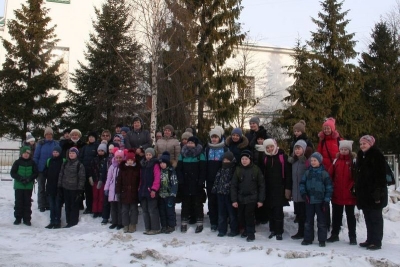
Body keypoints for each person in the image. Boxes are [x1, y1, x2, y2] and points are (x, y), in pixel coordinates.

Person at [354, 135, 387, 250]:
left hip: (375, 192)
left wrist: (378, 190)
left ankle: (376, 241)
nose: (362, 145)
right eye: (361, 143)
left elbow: (381, 174)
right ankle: (369, 239)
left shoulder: (376, 155)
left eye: (365, 143)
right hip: (364, 192)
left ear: (370, 144)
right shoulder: (361, 156)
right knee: (368, 216)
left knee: (375, 217)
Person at [230, 150, 265, 242]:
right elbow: (233, 185)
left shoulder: (256, 169)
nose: (244, 160)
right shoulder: (238, 170)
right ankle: (245, 230)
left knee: (249, 215)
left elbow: (261, 185)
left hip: (252, 198)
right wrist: (234, 200)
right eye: (242, 159)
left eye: (246, 159)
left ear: (250, 159)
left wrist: (261, 200)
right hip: (240, 198)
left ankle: (251, 233)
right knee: (241, 216)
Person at [299, 152, 333, 247]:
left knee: (322, 222)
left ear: (320, 161)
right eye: (312, 160)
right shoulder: (307, 172)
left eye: (315, 160)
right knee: (308, 221)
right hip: (309, 201)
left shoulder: (324, 173)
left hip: (320, 201)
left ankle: (322, 239)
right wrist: (304, 193)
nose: (313, 162)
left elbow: (329, 187)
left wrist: (326, 200)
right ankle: (308, 238)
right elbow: (302, 183)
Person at [327, 140, 357, 245]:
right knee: (336, 216)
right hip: (337, 193)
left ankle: (352, 236)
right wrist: (331, 185)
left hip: (349, 194)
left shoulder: (353, 162)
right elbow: (330, 174)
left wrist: (352, 186)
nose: (343, 151)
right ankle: (334, 234)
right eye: (342, 149)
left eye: (346, 150)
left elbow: (356, 177)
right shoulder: (336, 161)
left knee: (350, 216)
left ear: (349, 151)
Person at [262, 138, 292, 240]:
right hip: (268, 189)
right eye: (267, 147)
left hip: (280, 188)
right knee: (270, 211)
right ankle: (272, 230)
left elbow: (288, 174)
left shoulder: (282, 157)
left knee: (278, 211)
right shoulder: (265, 158)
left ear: (275, 146)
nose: (270, 149)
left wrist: (288, 188)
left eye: (271, 147)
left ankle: (279, 231)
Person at [176, 136, 206, 233]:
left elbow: (203, 170)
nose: (190, 144)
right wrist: (180, 180)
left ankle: (199, 222)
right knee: (185, 204)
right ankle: (184, 222)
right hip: (185, 183)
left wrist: (201, 181)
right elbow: (179, 169)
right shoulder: (182, 154)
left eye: (192, 143)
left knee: (198, 203)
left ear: (196, 144)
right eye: (188, 142)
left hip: (197, 183)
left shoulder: (200, 155)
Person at [317, 117, 342, 230]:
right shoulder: (322, 142)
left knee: (336, 200)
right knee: (325, 199)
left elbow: (344, 153)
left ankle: (337, 224)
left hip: (336, 173)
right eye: (325, 128)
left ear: (332, 129)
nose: (326, 130)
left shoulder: (339, 140)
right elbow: (318, 156)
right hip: (325, 173)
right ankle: (326, 223)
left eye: (328, 128)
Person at [205, 128, 227, 232]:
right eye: (212, 137)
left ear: (220, 137)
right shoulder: (207, 148)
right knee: (211, 201)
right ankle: (213, 222)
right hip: (210, 179)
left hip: (221, 179)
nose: (214, 139)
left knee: (221, 201)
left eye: (216, 137)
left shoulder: (225, 148)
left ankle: (221, 221)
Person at [212, 151, 239, 237]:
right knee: (221, 213)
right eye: (224, 160)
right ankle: (222, 230)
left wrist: (230, 189)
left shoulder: (234, 169)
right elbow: (217, 179)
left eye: (228, 160)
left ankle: (234, 230)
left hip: (229, 194)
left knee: (232, 214)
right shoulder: (221, 169)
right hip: (220, 193)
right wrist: (215, 188)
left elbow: (235, 182)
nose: (226, 161)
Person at [57, 147, 86, 228]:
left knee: (74, 206)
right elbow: (61, 175)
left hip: (75, 189)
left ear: (76, 154)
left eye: (73, 153)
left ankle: (73, 221)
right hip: (65, 187)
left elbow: (82, 178)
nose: (71, 154)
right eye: (70, 153)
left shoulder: (79, 165)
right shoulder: (65, 163)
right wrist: (59, 186)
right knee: (67, 205)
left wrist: (80, 189)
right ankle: (68, 220)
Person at [10, 146, 39, 226]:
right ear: (21, 154)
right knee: (18, 202)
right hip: (19, 185)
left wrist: (29, 179)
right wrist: (20, 178)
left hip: (28, 186)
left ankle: (27, 219)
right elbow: (13, 173)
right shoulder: (17, 162)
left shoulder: (32, 163)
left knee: (27, 202)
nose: (26, 155)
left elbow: (35, 173)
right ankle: (18, 218)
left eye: (27, 153)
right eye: (24, 153)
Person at [33, 127, 59, 212]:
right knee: (41, 187)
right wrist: (35, 167)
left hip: (51, 169)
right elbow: (36, 156)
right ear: (45, 135)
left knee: (50, 187)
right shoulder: (40, 144)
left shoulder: (55, 144)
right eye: (47, 134)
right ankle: (41, 204)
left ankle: (49, 203)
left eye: (50, 134)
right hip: (41, 169)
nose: (48, 135)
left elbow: (58, 154)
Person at [116, 149, 141, 233]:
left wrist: (139, 190)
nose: (130, 162)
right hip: (124, 192)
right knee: (124, 210)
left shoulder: (137, 169)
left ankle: (133, 224)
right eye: (128, 160)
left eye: (131, 160)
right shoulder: (123, 169)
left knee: (134, 210)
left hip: (134, 193)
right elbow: (119, 181)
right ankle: (125, 224)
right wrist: (118, 191)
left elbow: (139, 181)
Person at [139, 147, 161, 235]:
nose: (148, 156)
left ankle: (155, 228)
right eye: (147, 154)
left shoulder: (155, 165)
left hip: (151, 190)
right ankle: (147, 227)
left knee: (152, 210)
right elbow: (141, 178)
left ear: (153, 155)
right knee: (145, 210)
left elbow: (157, 178)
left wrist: (154, 189)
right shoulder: (143, 164)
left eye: (150, 155)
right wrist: (139, 188)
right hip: (143, 190)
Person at [290, 140, 309, 240]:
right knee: (298, 214)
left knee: (304, 215)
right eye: (295, 149)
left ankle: (305, 232)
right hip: (295, 192)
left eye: (299, 148)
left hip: (303, 193)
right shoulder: (293, 162)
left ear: (304, 149)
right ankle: (300, 231)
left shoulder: (307, 162)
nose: (297, 151)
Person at [43, 145, 65, 229]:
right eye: (54, 152)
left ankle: (57, 221)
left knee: (57, 205)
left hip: (59, 187)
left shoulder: (63, 161)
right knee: (51, 205)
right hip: (50, 186)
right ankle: (52, 221)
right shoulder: (49, 161)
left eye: (57, 152)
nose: (55, 153)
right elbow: (45, 171)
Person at [158, 151, 178, 234]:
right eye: (161, 163)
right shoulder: (159, 171)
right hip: (161, 195)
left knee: (170, 211)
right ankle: (164, 225)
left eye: (164, 163)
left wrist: (173, 193)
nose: (162, 164)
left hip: (169, 195)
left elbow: (174, 183)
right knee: (162, 211)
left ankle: (171, 225)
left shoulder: (171, 171)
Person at [80, 131, 99, 214]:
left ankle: (95, 208)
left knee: (94, 191)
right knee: (87, 191)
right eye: (90, 137)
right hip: (85, 171)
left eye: (93, 137)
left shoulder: (97, 146)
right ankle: (89, 207)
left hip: (94, 172)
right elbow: (81, 157)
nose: (91, 138)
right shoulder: (85, 147)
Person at [105, 149, 125, 230]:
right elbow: (108, 178)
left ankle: (120, 223)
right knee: (113, 208)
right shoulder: (112, 166)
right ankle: (114, 222)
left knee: (120, 207)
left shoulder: (124, 167)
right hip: (112, 189)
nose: (119, 159)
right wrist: (106, 188)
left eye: (120, 157)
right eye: (117, 157)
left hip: (120, 190)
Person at [90, 143, 108, 218]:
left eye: (102, 151)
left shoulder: (106, 160)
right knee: (95, 196)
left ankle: (100, 210)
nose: (100, 152)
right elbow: (91, 169)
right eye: (99, 150)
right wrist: (90, 177)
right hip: (95, 180)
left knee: (101, 196)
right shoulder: (94, 159)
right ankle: (95, 210)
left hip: (102, 180)